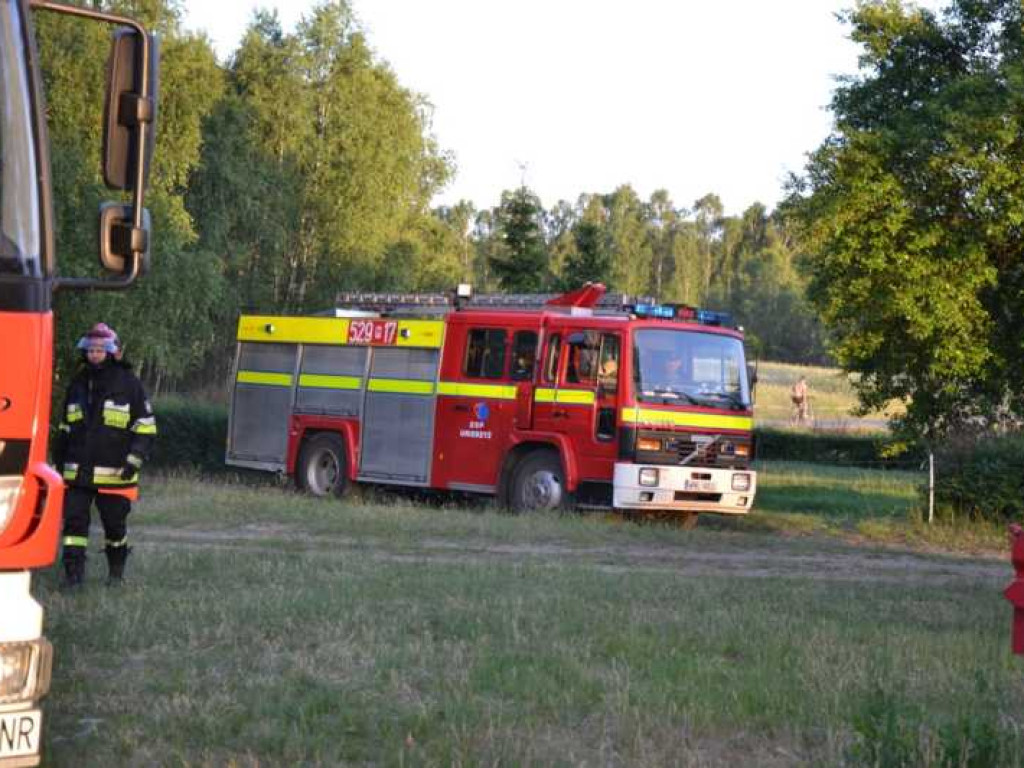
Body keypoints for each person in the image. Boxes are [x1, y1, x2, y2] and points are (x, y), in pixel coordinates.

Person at [52, 323, 156, 588]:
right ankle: (73, 577)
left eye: (100, 350)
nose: (95, 355)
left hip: (116, 473)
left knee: (114, 527)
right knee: (74, 525)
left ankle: (116, 574)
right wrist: (58, 459)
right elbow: (66, 425)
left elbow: (145, 426)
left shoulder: (129, 384)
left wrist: (134, 459)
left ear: (112, 352)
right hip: (77, 472)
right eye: (91, 350)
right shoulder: (77, 383)